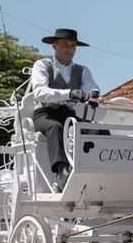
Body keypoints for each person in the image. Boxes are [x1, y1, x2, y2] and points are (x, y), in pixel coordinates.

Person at [31, 28, 100, 191]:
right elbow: (40, 92)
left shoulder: (82, 70)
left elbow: (91, 85)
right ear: (54, 46)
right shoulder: (42, 65)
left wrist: (93, 94)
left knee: (96, 129)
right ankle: (62, 172)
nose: (69, 49)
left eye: (73, 46)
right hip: (45, 114)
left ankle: (96, 169)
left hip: (68, 115)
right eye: (65, 45)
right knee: (56, 127)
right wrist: (69, 93)